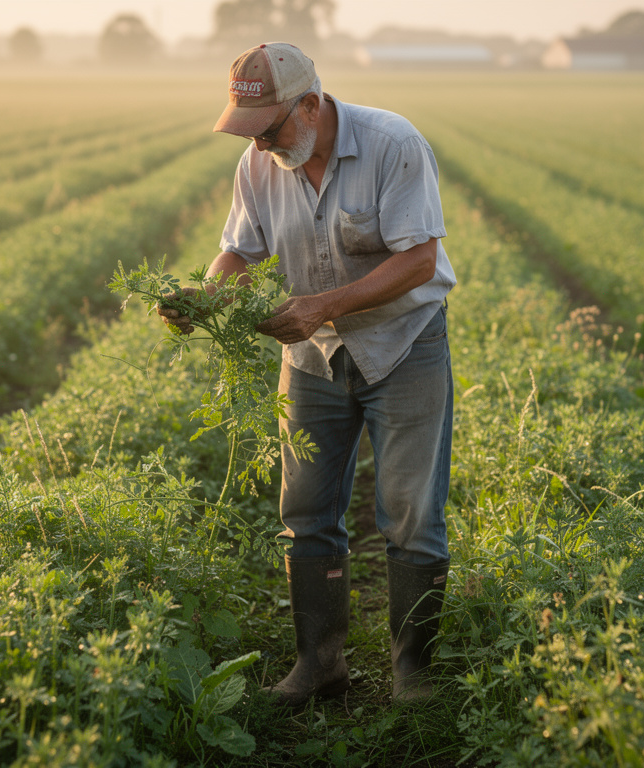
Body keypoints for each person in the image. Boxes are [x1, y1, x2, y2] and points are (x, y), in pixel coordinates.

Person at [158, 41, 455, 706]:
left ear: (312, 106)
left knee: (411, 513)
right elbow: (239, 253)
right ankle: (319, 665)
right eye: (249, 133)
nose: (260, 146)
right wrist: (205, 298)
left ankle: (413, 674)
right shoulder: (256, 165)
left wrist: (323, 304)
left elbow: (419, 260)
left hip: (404, 344)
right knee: (306, 511)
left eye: (269, 130)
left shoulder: (392, 144)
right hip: (312, 354)